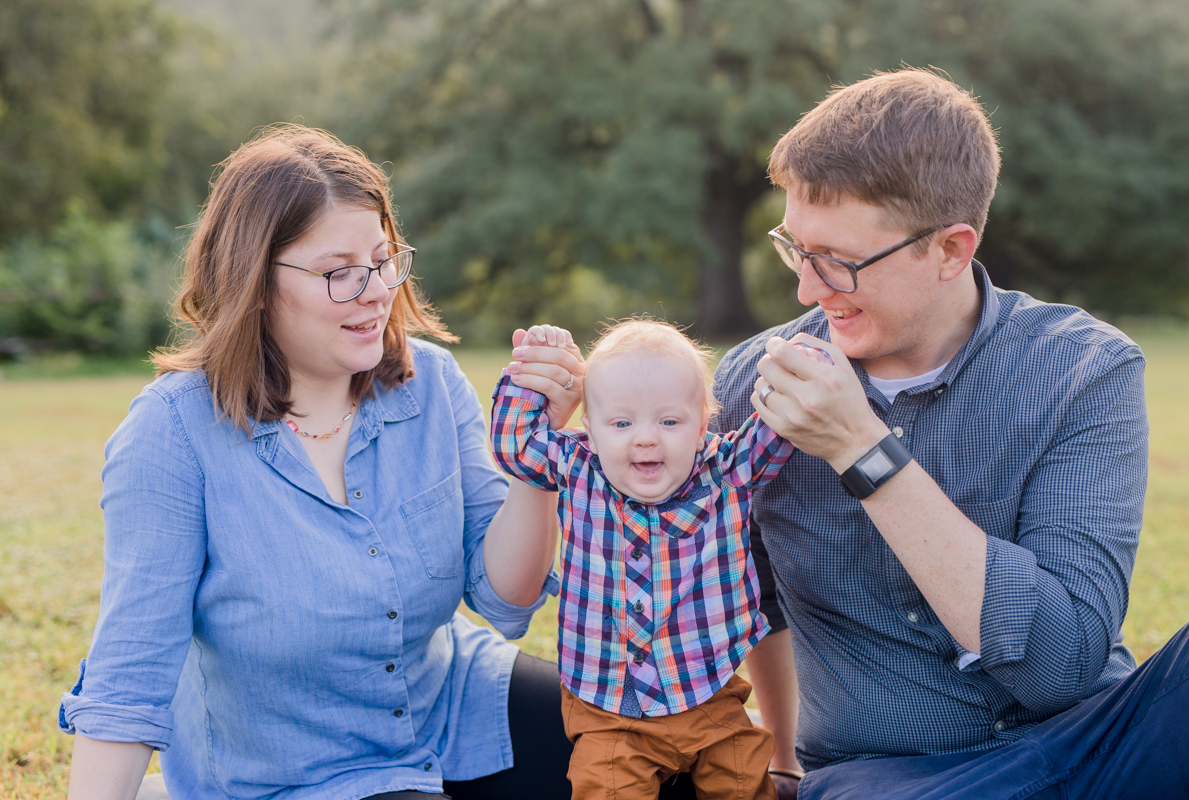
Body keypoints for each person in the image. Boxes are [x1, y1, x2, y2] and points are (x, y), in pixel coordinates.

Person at [58, 125, 589, 800]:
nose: (375, 292)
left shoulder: (431, 383)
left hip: (451, 710)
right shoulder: (172, 432)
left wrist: (533, 458)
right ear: (253, 279)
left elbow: (504, 596)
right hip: (295, 776)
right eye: (339, 272)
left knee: (671, 765)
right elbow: (129, 678)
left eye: (384, 259)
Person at [714, 69, 1189, 799]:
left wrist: (862, 451)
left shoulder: (1085, 369)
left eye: (838, 263)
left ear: (950, 249)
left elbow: (1061, 666)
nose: (807, 290)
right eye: (795, 250)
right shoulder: (752, 386)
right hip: (889, 778)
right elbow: (746, 604)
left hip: (1097, 743)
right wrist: (780, 766)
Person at [490, 319, 829, 800]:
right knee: (606, 788)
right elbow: (515, 447)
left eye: (669, 422)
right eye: (621, 423)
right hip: (610, 710)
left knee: (742, 780)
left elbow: (777, 431)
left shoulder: (722, 469)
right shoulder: (578, 468)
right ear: (590, 428)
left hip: (707, 695)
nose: (645, 438)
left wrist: (801, 370)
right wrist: (527, 379)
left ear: (701, 423)